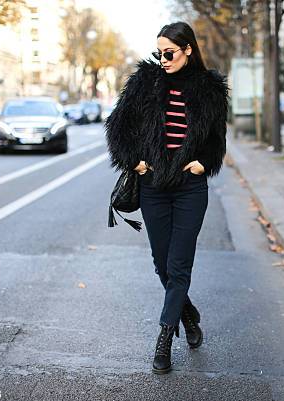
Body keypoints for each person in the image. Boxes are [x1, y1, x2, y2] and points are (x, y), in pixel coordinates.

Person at [104, 21, 229, 375]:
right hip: (154, 187)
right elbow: (118, 126)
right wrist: (135, 162)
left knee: (178, 266)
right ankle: (188, 318)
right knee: (162, 264)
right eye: (160, 53)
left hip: (189, 188)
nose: (164, 59)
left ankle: (164, 337)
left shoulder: (210, 90)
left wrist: (203, 164)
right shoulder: (146, 81)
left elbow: (216, 140)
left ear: (188, 49)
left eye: (170, 53)